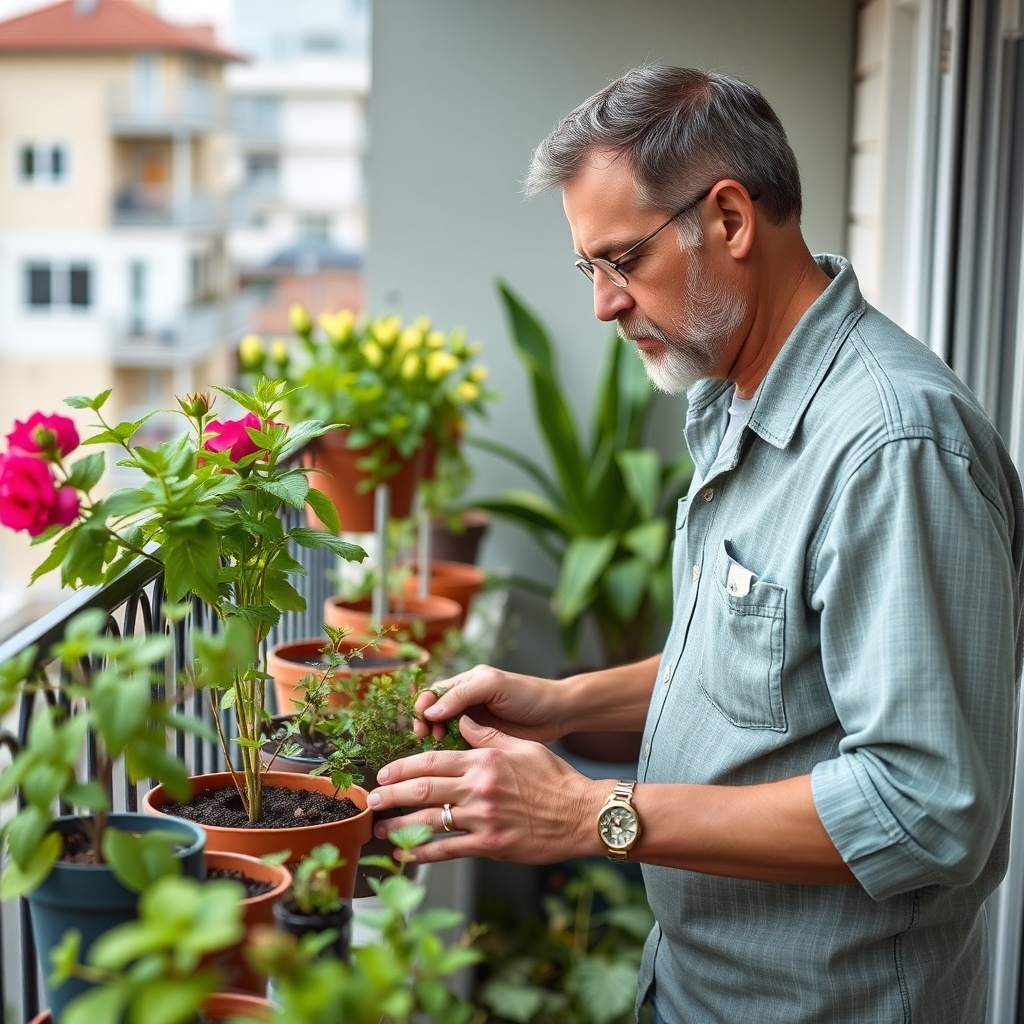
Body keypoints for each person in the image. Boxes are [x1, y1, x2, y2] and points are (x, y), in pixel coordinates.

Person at [368, 66, 1024, 1022]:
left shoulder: (894, 448)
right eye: (588, 268)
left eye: (622, 260)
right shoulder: (736, 394)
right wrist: (558, 704)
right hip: (693, 983)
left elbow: (924, 809)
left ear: (728, 219)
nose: (603, 304)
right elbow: (764, 667)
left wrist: (595, 814)